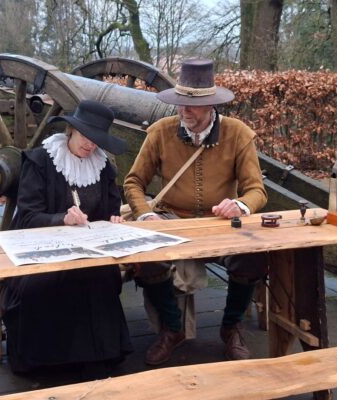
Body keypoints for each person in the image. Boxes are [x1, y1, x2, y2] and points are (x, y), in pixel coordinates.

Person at [123, 59, 268, 365]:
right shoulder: (160, 132)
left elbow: (257, 190)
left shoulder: (238, 134)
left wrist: (240, 205)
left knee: (254, 256)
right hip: (172, 219)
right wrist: (146, 215)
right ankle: (172, 329)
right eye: (180, 103)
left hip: (220, 224)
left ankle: (231, 328)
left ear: (210, 105)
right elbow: (134, 182)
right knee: (146, 258)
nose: (184, 111)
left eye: (192, 105)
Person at [2, 100, 133, 380]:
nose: (90, 145)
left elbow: (110, 209)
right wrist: (62, 219)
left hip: (90, 249)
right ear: (71, 129)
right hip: (40, 246)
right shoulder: (40, 161)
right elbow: (27, 216)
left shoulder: (102, 167)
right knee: (45, 283)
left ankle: (97, 358)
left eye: (97, 139)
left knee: (100, 277)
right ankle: (46, 363)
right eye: (86, 136)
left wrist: (114, 220)